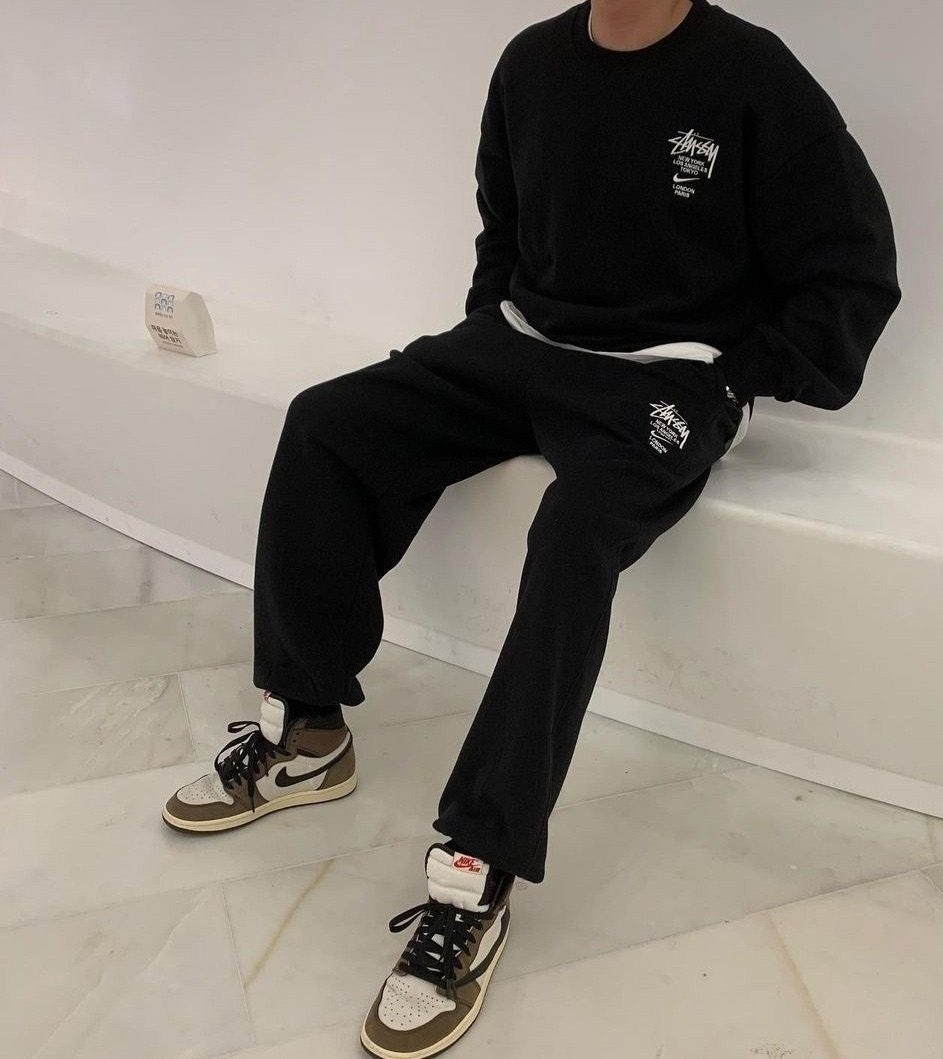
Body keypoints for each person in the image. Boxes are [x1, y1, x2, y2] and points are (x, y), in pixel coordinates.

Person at [161, 1, 901, 1055]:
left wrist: (738, 378)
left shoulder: (753, 76)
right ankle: (306, 730)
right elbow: (502, 225)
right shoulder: (531, 62)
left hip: (665, 375)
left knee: (573, 531)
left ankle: (476, 869)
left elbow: (855, 268)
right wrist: (489, 325)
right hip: (521, 344)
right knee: (327, 424)